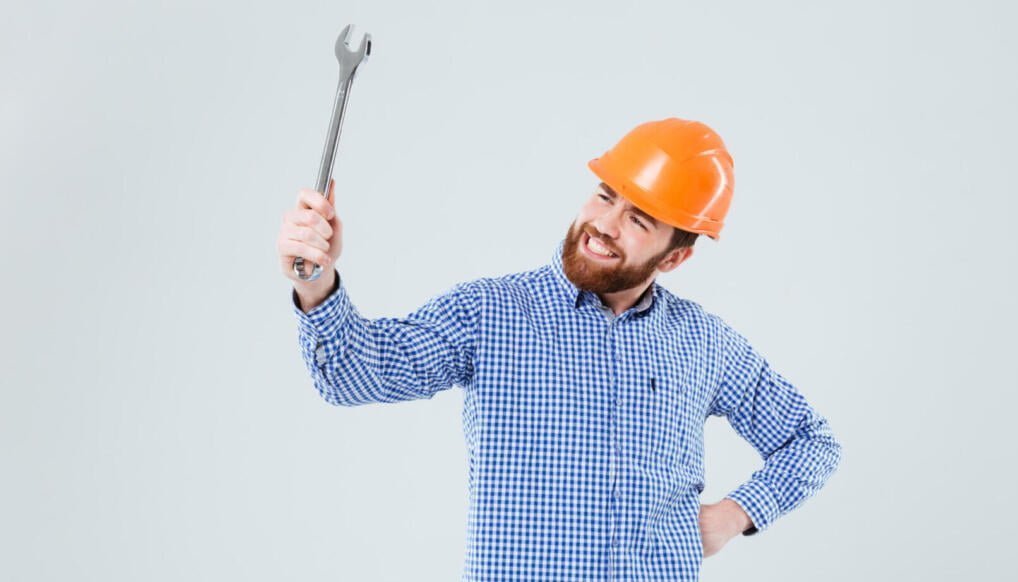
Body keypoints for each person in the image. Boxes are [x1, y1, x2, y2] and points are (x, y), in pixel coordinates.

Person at [277, 117, 842, 581]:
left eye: (638, 220)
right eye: (604, 197)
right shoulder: (491, 312)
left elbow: (810, 441)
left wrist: (734, 515)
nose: (604, 224)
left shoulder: (704, 343)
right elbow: (352, 375)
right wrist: (316, 282)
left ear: (674, 258)